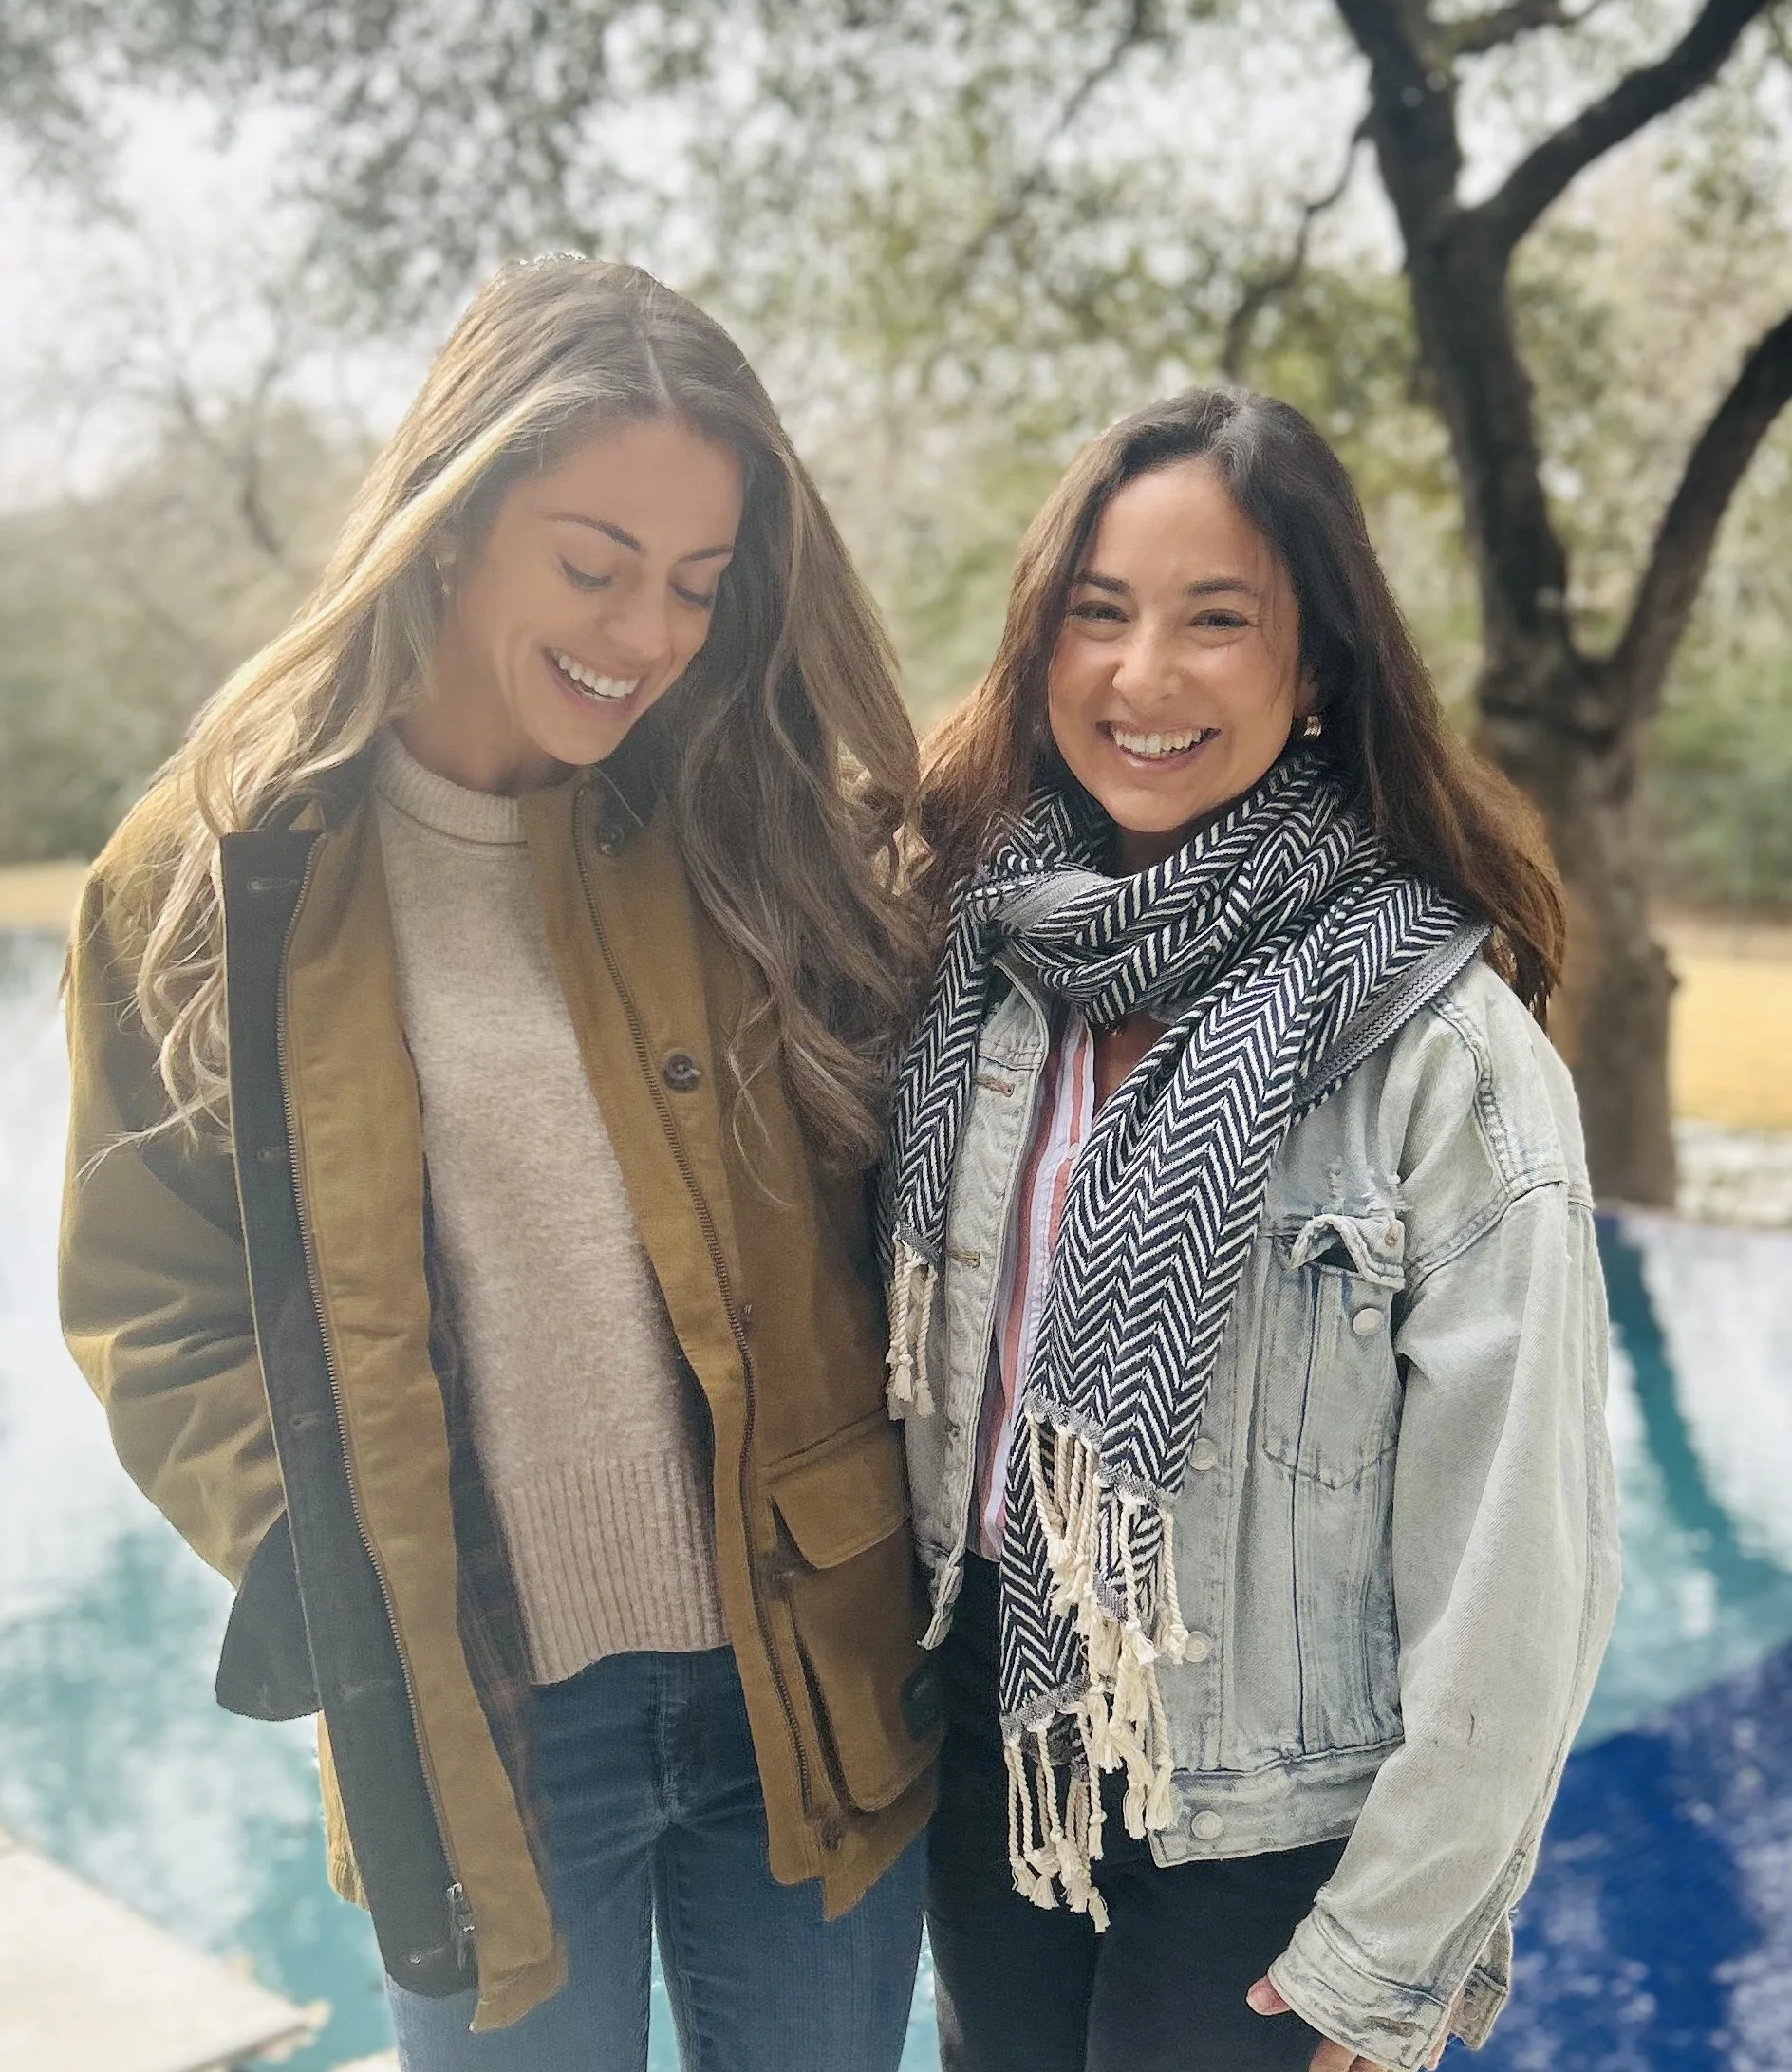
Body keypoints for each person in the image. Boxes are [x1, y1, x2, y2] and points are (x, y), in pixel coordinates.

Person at [59, 255, 940, 2072]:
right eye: (593, 562)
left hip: (808, 1673)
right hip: (482, 1734)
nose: (649, 633)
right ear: (452, 523)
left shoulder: (750, 816)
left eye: (700, 584)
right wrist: (319, 1544)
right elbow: (148, 1293)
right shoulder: (212, 872)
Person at [884, 388, 1620, 2072]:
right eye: (1100, 612)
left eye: (1219, 623)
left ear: (1318, 676)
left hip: (1272, 1832)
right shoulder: (976, 965)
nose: (1145, 677)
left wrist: (1388, 1957)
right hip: (1001, 1754)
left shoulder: (1442, 1054)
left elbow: (1528, 1560)